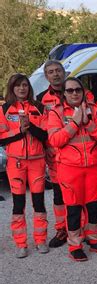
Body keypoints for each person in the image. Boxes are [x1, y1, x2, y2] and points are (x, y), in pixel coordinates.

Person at [48, 77, 97, 262]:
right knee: (73, 208)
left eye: (77, 89)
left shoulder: (93, 109)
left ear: (83, 91)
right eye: (70, 90)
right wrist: (75, 123)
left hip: (94, 167)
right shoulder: (56, 112)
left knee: (93, 206)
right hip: (70, 168)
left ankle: (94, 238)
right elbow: (55, 140)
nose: (74, 93)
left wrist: (88, 122)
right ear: (64, 93)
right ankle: (75, 244)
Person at [0, 74, 49, 258]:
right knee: (18, 204)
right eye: (18, 86)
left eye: (25, 85)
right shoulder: (4, 109)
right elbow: (1, 137)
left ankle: (40, 239)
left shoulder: (39, 107)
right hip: (15, 162)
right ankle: (21, 243)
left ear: (29, 88)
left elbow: (45, 135)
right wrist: (19, 131)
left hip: (37, 161)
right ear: (12, 88)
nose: (22, 89)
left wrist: (30, 127)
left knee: (38, 202)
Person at [36, 60, 68, 248]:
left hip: (76, 154)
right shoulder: (41, 99)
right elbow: (41, 128)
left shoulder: (76, 91)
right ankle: (61, 229)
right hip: (54, 155)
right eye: (51, 72)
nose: (55, 74)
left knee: (78, 195)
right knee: (58, 196)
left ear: (63, 72)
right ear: (46, 76)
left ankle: (80, 229)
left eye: (58, 70)